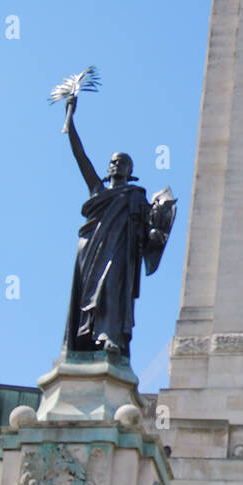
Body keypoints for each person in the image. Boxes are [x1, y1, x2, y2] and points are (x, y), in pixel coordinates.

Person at [62, 105, 175, 357]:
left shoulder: (136, 197)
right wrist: (70, 117)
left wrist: (157, 232)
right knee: (89, 295)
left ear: (130, 171)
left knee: (113, 288)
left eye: (122, 162)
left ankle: (109, 335)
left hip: (122, 252)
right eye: (113, 162)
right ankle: (89, 337)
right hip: (92, 252)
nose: (116, 165)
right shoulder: (98, 191)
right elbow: (80, 155)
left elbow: (148, 233)